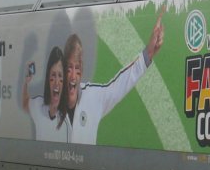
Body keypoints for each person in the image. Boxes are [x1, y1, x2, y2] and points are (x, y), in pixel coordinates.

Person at [61, 9, 164, 144]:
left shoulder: (93, 97)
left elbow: (120, 84)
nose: (73, 76)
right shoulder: (50, 102)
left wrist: (148, 54)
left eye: (77, 68)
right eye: (69, 68)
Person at [21, 46, 68, 142]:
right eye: (53, 75)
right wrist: (26, 82)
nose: (56, 82)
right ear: (48, 80)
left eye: (60, 76)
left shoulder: (69, 116)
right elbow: (25, 103)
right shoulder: (38, 106)